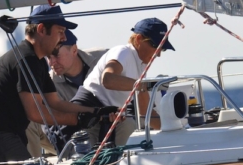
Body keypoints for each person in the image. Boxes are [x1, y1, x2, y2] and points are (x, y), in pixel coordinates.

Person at [0, 5, 116, 165]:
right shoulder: (26, 58)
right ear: (41, 29)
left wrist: (96, 111)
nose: (63, 37)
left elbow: (55, 102)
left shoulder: (36, 61)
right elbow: (35, 114)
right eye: (60, 31)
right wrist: (78, 119)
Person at [73, 17, 175, 146]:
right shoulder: (123, 52)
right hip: (87, 115)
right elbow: (108, 79)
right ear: (138, 39)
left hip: (107, 117)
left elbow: (144, 112)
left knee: (127, 127)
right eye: (156, 46)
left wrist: (171, 130)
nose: (159, 54)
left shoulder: (141, 66)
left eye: (162, 48)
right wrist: (144, 85)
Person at [39, 29, 106, 153]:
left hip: (116, 120)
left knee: (128, 124)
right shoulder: (49, 84)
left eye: (56, 55)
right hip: (78, 130)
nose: (51, 62)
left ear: (74, 50)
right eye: (48, 56)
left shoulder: (104, 58)